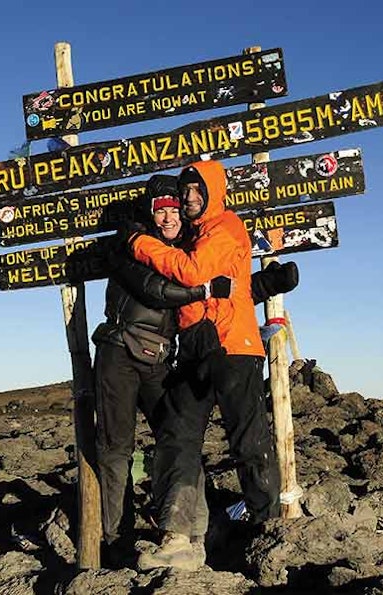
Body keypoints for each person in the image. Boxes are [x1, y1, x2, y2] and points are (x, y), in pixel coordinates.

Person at [86, 173, 298, 569]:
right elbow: (216, 287)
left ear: (213, 192)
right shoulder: (187, 237)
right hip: (193, 352)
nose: (187, 200)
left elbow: (196, 274)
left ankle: (267, 530)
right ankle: (178, 537)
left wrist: (141, 242)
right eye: (181, 195)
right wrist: (259, 284)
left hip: (234, 347)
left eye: (195, 192)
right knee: (177, 437)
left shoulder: (224, 225)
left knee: (247, 442)